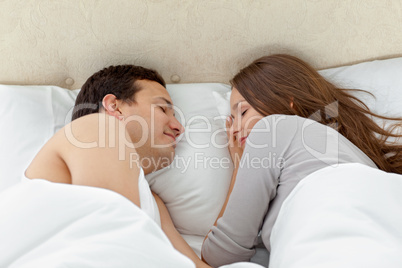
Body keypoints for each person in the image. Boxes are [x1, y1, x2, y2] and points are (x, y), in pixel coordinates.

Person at [201, 54, 402, 267]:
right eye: (231, 120)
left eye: (243, 112)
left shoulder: (272, 128)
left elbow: (220, 254)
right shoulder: (361, 159)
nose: (233, 129)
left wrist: (238, 170)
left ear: (288, 104)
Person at [25, 65, 210, 268]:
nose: (179, 127)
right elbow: (111, 247)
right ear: (114, 106)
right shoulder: (95, 128)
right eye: (162, 109)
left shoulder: (152, 201)